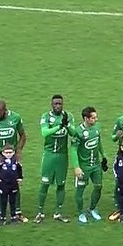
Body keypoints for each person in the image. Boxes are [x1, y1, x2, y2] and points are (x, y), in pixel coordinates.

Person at [0, 99, 26, 223]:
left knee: (15, 182)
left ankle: (17, 212)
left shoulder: (15, 118)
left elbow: (23, 135)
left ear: (5, 110)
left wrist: (18, 150)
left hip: (12, 156)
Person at [35, 94, 72, 224]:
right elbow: (44, 133)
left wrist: (67, 125)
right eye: (55, 104)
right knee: (44, 184)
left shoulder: (68, 116)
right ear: (51, 104)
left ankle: (58, 213)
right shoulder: (46, 116)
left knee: (61, 184)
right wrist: (59, 126)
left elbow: (74, 134)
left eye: (60, 104)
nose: (58, 106)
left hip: (62, 156)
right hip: (49, 155)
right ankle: (40, 212)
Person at [71, 106, 105, 224]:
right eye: (93, 118)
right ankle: (81, 213)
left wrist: (104, 156)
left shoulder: (97, 128)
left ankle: (92, 208)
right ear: (86, 118)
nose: (96, 119)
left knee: (98, 186)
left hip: (96, 165)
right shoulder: (78, 132)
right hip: (84, 167)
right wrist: (76, 167)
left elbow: (99, 143)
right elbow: (73, 150)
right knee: (80, 190)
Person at [0, 146, 23, 224]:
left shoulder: (15, 162)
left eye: (10, 152)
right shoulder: (0, 162)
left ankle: (13, 216)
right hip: (3, 185)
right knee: (3, 201)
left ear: (13, 153)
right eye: (6, 153)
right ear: (3, 153)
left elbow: (19, 169)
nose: (8, 154)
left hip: (13, 184)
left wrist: (20, 178)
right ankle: (2, 217)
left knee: (13, 201)